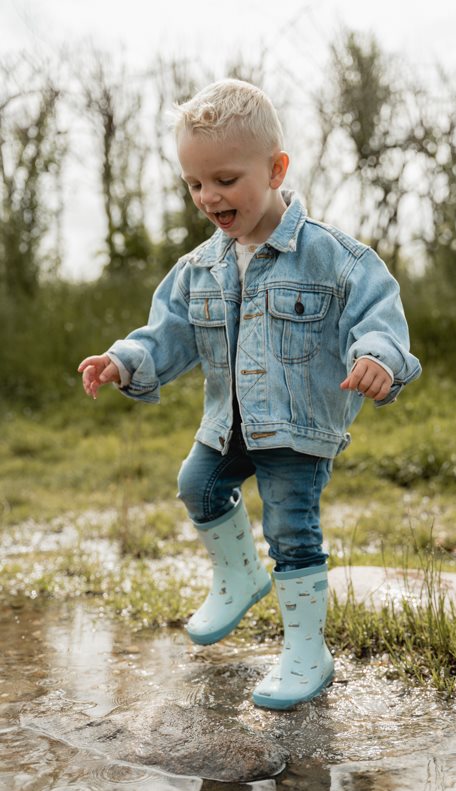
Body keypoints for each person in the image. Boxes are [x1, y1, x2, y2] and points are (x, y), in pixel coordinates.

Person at [78, 79, 421, 710]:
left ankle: (305, 653)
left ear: (276, 169)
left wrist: (377, 358)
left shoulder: (332, 257)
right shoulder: (199, 267)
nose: (209, 197)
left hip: (296, 426)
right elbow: (167, 333)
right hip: (227, 422)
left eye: (226, 180)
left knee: (292, 528)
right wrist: (124, 362)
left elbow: (379, 316)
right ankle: (239, 573)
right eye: (195, 184)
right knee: (197, 484)